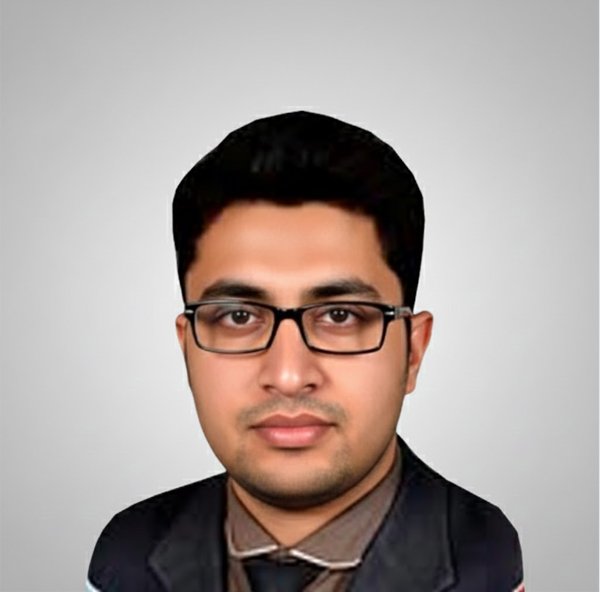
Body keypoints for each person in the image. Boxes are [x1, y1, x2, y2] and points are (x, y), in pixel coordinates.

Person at [87, 111, 524, 591]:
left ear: (412, 353)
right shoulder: (126, 554)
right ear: (187, 349)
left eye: (340, 316)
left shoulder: (487, 561)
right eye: (238, 317)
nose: (289, 375)